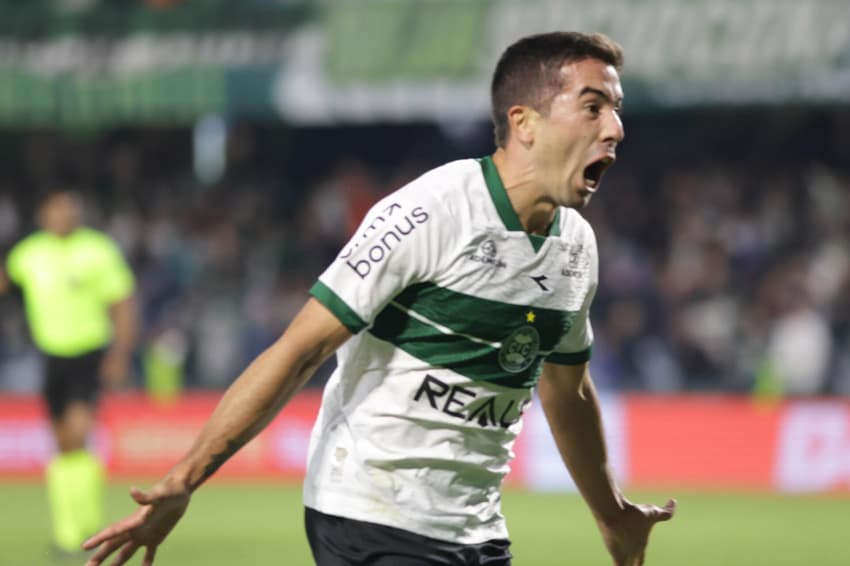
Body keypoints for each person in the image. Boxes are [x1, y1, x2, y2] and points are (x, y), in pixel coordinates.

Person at [83, 31, 675, 566]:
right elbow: (298, 352)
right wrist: (186, 477)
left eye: (616, 112)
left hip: (478, 531)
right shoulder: (430, 212)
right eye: (593, 107)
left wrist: (611, 514)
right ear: (524, 123)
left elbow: (566, 391)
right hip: (371, 516)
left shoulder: (576, 248)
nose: (615, 129)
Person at [0, 190, 137, 556]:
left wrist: (120, 353)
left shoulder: (97, 251)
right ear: (44, 216)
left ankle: (86, 524)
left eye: (65, 211)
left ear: (76, 215)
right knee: (62, 443)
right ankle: (66, 531)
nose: (58, 218)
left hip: (88, 355)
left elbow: (122, 302)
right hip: (50, 356)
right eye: (52, 212)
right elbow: (6, 280)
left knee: (78, 434)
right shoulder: (30, 253)